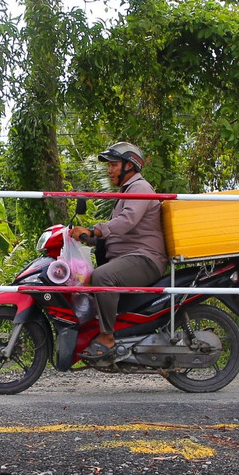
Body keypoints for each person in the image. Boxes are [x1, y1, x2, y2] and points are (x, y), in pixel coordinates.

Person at [68, 142, 168, 358]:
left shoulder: (140, 188)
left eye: (113, 165)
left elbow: (126, 222)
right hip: (130, 256)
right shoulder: (127, 192)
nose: (109, 170)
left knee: (102, 276)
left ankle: (107, 338)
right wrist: (86, 238)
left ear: (129, 166)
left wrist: (95, 231)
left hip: (145, 258)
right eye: (109, 165)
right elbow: (117, 233)